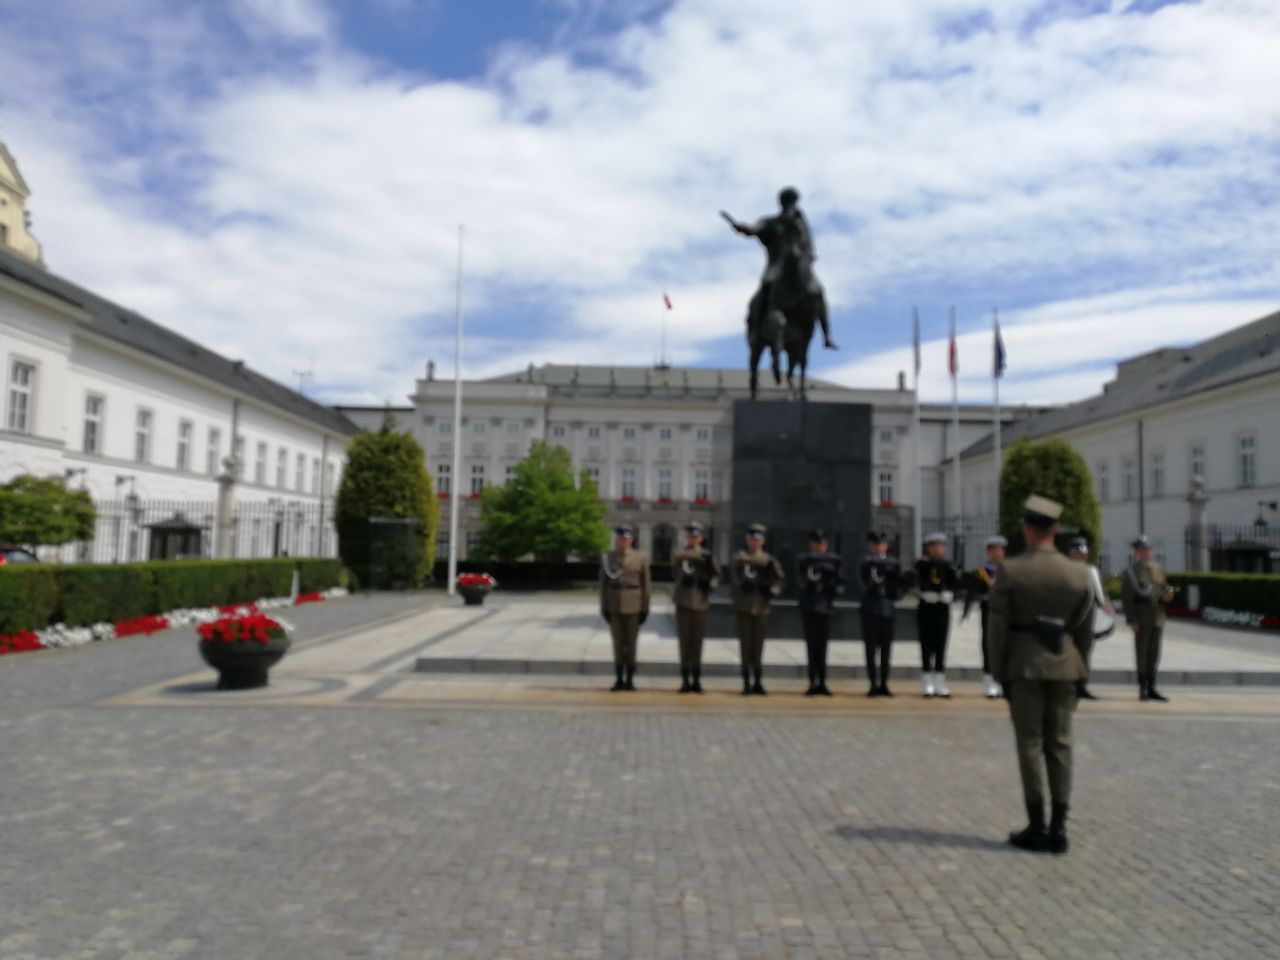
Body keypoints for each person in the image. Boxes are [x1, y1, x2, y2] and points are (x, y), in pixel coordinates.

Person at [989, 495, 1095, 855]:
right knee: (1061, 744)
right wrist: (1082, 670)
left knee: (1030, 745)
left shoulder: (1011, 570)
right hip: (1066, 664)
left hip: (1024, 665)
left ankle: (1037, 825)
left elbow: (997, 627)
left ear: (1027, 530)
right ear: (1056, 530)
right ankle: (1060, 827)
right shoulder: (1079, 573)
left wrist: (998, 669)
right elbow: (1085, 630)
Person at [722, 187, 837, 353]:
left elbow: (808, 245)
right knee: (766, 287)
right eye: (787, 202)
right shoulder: (771, 222)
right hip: (777, 267)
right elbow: (755, 229)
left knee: (818, 291)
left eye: (792, 202)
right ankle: (756, 326)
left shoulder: (800, 224)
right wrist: (742, 228)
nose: (790, 205)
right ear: (781, 204)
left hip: (800, 269)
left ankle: (826, 336)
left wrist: (808, 257)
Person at [732, 522, 785, 695]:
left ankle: (758, 681)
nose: (754, 543)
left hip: (762, 607)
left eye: (758, 539)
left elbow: (780, 580)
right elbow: (736, 569)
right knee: (745, 646)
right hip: (745, 607)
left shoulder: (769, 560)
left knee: (758, 646)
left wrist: (771, 591)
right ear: (747, 541)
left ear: (762, 541)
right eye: (751, 539)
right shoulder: (740, 557)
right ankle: (746, 681)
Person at [1120, 535, 1174, 702]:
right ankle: (1142, 687)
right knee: (1142, 654)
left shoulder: (1158, 569)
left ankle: (1152, 686)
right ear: (1136, 552)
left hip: (1157, 616)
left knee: (1154, 653)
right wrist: (1132, 620)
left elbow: (1165, 588)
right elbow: (1127, 599)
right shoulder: (1131, 572)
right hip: (1142, 617)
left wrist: (1168, 594)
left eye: (1148, 549)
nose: (1146, 552)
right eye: (1142, 550)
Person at [598, 523, 651, 692]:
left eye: (626, 538)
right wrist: (604, 607)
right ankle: (618, 678)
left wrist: (645, 608)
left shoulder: (640, 557)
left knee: (632, 644)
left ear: (631, 539)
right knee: (617, 644)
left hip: (633, 606)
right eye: (620, 538)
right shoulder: (608, 557)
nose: (623, 541)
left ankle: (630, 679)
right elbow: (603, 585)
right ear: (616, 540)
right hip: (614, 605)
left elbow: (646, 585)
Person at [671, 521, 721, 694]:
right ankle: (685, 679)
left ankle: (697, 679)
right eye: (690, 535)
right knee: (684, 643)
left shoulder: (707, 556)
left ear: (701, 537)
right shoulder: (680, 554)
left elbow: (716, 575)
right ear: (686, 537)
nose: (693, 538)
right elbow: (676, 571)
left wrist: (710, 585)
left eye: (696, 535)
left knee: (697, 643)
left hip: (700, 602)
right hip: (683, 602)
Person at [796, 529, 842, 696]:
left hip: (825, 607)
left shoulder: (833, 561)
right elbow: (800, 580)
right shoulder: (804, 560)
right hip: (809, 607)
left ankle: (822, 681)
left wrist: (833, 588)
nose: (819, 547)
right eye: (816, 543)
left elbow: (839, 581)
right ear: (811, 544)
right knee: (811, 646)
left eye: (822, 544)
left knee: (823, 647)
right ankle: (812, 681)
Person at [961, 536, 1008, 699]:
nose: (998, 553)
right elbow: (972, 592)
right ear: (989, 552)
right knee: (988, 645)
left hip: (1005, 613)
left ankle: (1003, 681)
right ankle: (989, 682)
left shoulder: (1008, 570)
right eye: (994, 550)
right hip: (988, 611)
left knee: (1005, 646)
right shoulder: (982, 572)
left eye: (1000, 550)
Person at [1066, 536, 1112, 701]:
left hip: (1087, 617)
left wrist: (1107, 605)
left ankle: (1082, 685)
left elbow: (1100, 593)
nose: (1081, 556)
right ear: (1070, 554)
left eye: (1083, 553)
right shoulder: (1065, 569)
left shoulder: (1092, 571)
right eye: (1077, 553)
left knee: (1084, 652)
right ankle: (1068, 685)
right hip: (1069, 616)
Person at [914, 532, 960, 698]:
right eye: (934, 546)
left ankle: (940, 681)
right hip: (926, 608)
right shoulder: (922, 564)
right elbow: (917, 582)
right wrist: (923, 593)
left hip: (942, 609)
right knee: (926, 644)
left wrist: (951, 595)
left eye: (940, 546)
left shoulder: (948, 565)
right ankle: (927, 681)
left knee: (941, 644)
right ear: (928, 548)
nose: (938, 549)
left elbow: (955, 585)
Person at [859, 530, 902, 697]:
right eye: (876, 545)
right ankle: (872, 683)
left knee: (886, 649)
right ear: (871, 546)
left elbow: (898, 585)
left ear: (886, 546)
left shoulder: (893, 563)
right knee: (871, 649)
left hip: (887, 610)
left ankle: (884, 683)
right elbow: (864, 583)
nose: (879, 548)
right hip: (870, 609)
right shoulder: (866, 562)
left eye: (882, 544)